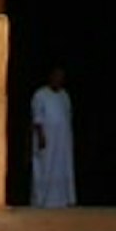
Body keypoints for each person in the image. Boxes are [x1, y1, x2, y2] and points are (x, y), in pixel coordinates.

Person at [28, 67, 78, 208]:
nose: (58, 80)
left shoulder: (64, 96)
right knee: (45, 168)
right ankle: (41, 201)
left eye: (61, 77)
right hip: (47, 139)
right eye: (56, 76)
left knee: (62, 167)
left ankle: (62, 200)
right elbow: (37, 118)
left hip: (62, 141)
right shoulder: (40, 95)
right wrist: (41, 136)